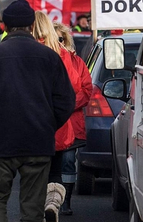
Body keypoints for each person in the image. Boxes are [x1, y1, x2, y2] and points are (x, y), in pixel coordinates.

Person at [0, 0, 75, 222]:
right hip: (38, 141)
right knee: (32, 206)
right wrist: (47, 125)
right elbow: (66, 101)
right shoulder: (50, 57)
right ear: (31, 25)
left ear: (5, 26)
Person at [31, 12, 78, 221]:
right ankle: (53, 203)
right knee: (56, 170)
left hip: (31, 122)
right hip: (58, 122)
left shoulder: (28, 52)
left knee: (34, 173)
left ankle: (37, 209)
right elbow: (74, 87)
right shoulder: (63, 54)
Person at [53, 22, 92, 216]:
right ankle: (49, 199)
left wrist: (65, 103)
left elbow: (86, 90)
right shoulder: (46, 60)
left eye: (61, 39)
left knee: (68, 161)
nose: (58, 43)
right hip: (49, 122)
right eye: (54, 39)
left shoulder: (77, 63)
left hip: (71, 121)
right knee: (49, 163)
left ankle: (65, 201)